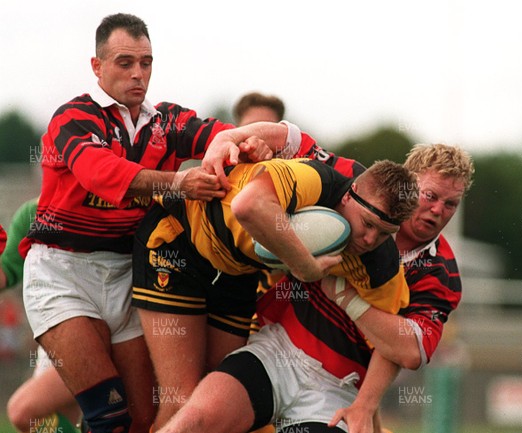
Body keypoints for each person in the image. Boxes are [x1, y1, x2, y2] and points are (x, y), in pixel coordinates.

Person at [20, 13, 299, 433]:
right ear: (97, 67)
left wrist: (251, 141)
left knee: (142, 419)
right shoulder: (73, 118)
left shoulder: (165, 121)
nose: (138, 74)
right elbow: (102, 172)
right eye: (124, 62)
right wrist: (179, 183)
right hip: (64, 273)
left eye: (146, 63)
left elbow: (217, 134)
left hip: (127, 274)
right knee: (104, 414)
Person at [131, 157, 418, 431]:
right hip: (180, 244)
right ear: (349, 195)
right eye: (368, 224)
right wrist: (305, 266)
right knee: (183, 400)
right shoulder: (315, 179)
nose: (370, 240)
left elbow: (396, 344)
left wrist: (365, 407)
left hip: (236, 275)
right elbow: (248, 205)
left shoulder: (381, 264)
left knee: (213, 398)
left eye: (384, 233)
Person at [320, 143, 475, 430]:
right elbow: (293, 142)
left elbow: (410, 350)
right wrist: (234, 141)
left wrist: (346, 298)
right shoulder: (362, 186)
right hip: (271, 334)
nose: (438, 210)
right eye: (430, 196)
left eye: (451, 204)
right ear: (408, 183)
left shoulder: (441, 274)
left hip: (339, 386)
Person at [1, 198, 82, 433]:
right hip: (54, 338)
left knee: (24, 411)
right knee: (52, 418)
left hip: (106, 334)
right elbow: (6, 270)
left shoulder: (116, 207)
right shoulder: (32, 213)